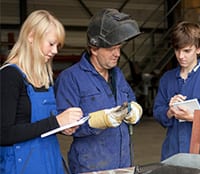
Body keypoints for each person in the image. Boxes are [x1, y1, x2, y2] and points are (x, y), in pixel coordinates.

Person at [54, 8, 143, 173]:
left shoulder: (117, 74)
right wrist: (99, 121)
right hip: (91, 166)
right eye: (111, 49)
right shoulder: (70, 78)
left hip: (124, 164)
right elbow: (64, 126)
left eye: (119, 47)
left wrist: (134, 111)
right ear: (94, 48)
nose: (117, 54)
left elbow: (131, 100)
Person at [0, 10, 83, 174]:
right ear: (31, 36)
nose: (55, 51)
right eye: (51, 44)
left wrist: (62, 126)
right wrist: (56, 122)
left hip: (49, 162)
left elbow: (42, 125)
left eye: (57, 46)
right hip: (21, 167)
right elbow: (3, 133)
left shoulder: (44, 78)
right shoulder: (9, 76)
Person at [153, 21, 200, 161]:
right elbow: (158, 112)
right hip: (172, 153)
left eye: (187, 51)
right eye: (177, 50)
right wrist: (170, 111)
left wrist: (195, 117)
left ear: (199, 48)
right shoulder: (167, 79)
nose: (181, 56)